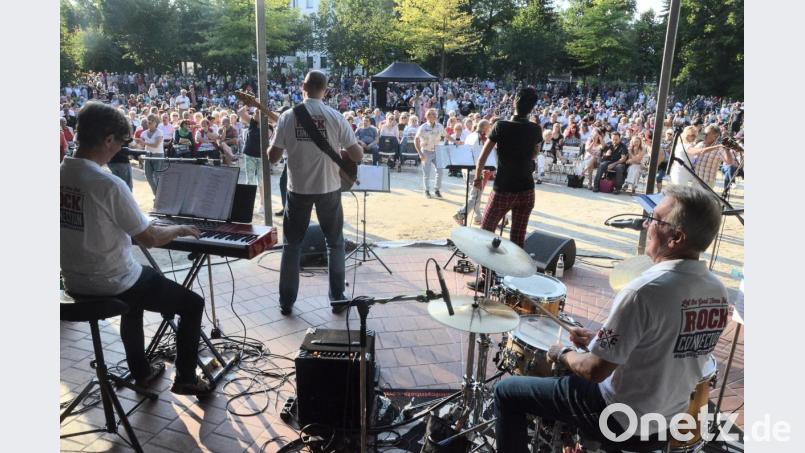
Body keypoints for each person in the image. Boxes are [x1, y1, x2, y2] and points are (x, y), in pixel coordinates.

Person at [494, 185, 729, 452]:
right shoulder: (717, 291)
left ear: (675, 237)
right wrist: (598, 341)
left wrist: (563, 354)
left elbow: (595, 371)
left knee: (507, 392)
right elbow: (665, 347)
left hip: (618, 417)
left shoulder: (645, 291)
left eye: (654, 219)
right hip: (667, 419)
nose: (645, 224)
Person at [61, 102, 212, 395]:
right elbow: (151, 238)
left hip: (73, 282)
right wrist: (180, 229)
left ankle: (142, 372)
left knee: (138, 287)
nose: (119, 149)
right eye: (119, 143)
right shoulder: (108, 184)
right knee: (192, 304)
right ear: (107, 140)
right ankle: (186, 379)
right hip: (110, 281)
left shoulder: (59, 173)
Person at [267, 70, 363, 316]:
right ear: (326, 90)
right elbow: (358, 156)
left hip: (298, 189)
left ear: (303, 87)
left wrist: (278, 138)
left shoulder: (287, 117)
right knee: (335, 243)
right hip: (329, 188)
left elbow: (273, 157)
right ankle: (337, 298)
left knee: (291, 246)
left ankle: (286, 302)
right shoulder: (335, 116)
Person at [471, 87, 542, 289]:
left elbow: (483, 157)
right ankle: (515, 281)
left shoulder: (500, 126)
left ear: (514, 103)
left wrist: (477, 178)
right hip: (527, 190)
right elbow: (534, 154)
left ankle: (486, 279)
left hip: (503, 189)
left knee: (486, 233)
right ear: (532, 107)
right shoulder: (535, 129)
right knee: (518, 238)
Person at [415, 108, 446, 198]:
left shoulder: (440, 126)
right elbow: (416, 140)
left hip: (437, 151)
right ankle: (426, 190)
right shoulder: (423, 127)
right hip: (426, 151)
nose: (432, 116)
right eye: (430, 114)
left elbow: (446, 135)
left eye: (434, 114)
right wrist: (420, 153)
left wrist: (456, 142)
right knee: (426, 173)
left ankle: (437, 190)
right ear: (426, 116)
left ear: (436, 116)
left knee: (440, 171)